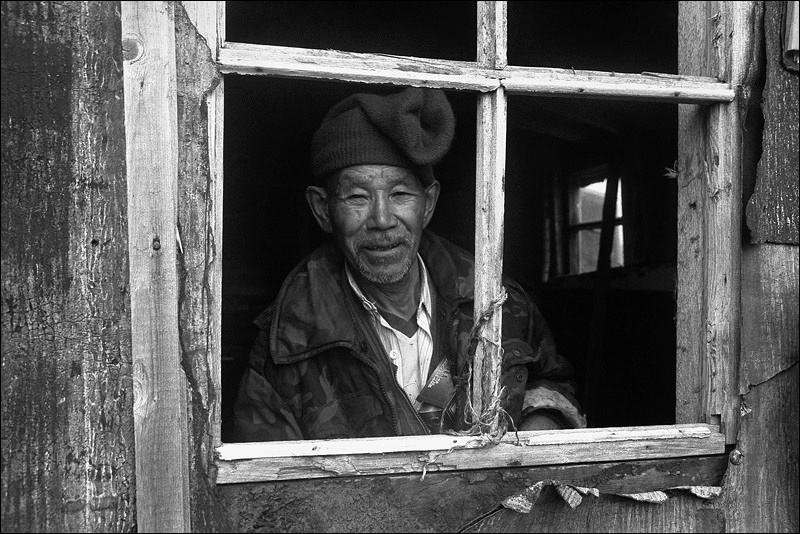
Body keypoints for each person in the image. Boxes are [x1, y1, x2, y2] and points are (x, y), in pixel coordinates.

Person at [232, 86, 586, 442]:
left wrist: (539, 427)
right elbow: (270, 486)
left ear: (428, 205)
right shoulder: (288, 341)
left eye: (400, 194)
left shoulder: (498, 303)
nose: (382, 220)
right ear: (324, 210)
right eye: (357, 196)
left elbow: (550, 381)